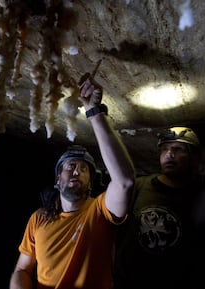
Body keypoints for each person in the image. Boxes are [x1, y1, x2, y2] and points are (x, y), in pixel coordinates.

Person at [9, 72, 135, 289]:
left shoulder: (100, 211)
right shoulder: (38, 218)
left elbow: (124, 182)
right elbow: (22, 270)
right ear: (58, 179)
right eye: (71, 167)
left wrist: (94, 112)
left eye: (84, 169)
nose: (77, 171)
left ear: (91, 182)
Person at [114, 126, 205, 289]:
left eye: (178, 149)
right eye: (164, 149)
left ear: (194, 158)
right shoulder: (138, 186)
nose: (169, 154)